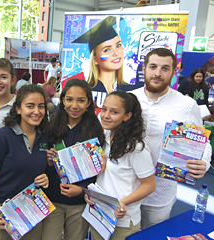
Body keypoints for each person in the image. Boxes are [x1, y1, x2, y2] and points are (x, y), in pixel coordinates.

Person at [131, 48, 212, 229]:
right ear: (144, 69)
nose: (158, 73)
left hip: (160, 193)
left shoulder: (187, 105)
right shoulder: (129, 99)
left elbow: (202, 142)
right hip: (125, 187)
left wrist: (204, 162)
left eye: (165, 68)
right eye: (153, 66)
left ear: (175, 72)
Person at [0, 84, 50, 240]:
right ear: (18, 109)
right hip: (2, 209)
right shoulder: (2, 137)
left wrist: (45, 177)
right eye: (30, 106)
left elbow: (36, 167)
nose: (37, 111)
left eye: (41, 106)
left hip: (31, 209)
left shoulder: (45, 136)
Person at [86, 91, 156, 240]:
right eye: (104, 109)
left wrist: (121, 203)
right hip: (99, 215)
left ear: (127, 116)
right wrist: (91, 195)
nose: (106, 115)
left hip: (123, 221)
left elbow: (149, 185)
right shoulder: (103, 139)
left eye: (114, 112)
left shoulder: (136, 148)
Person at [42, 79, 105, 240]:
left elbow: (98, 171)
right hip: (53, 199)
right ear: (62, 100)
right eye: (69, 99)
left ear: (88, 103)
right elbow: (40, 163)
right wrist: (49, 164)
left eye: (81, 100)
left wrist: (83, 189)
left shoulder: (95, 131)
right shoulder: (51, 127)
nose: (74, 106)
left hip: (79, 203)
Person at [72, 16, 133, 116]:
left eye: (118, 45)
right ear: (95, 59)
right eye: (107, 49)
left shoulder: (130, 90)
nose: (116, 53)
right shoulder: (86, 91)